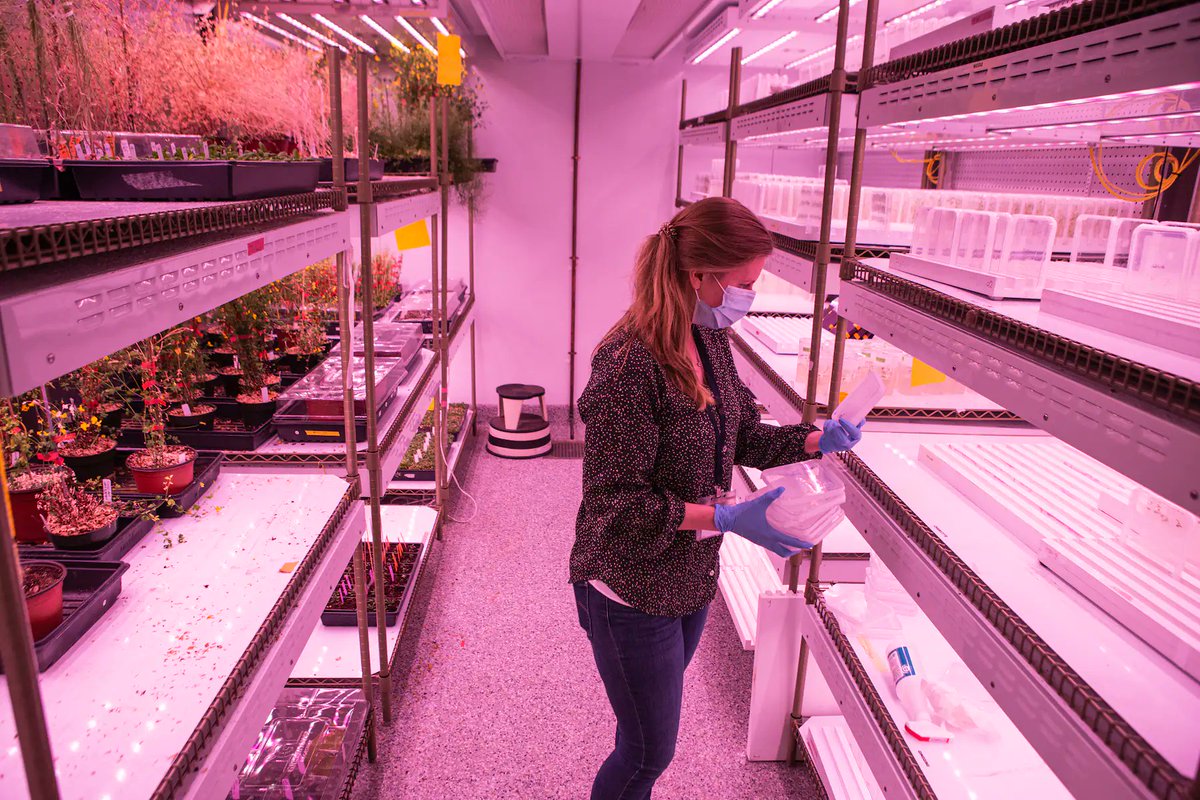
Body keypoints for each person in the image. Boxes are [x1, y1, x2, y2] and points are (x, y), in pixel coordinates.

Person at [569, 196, 865, 799]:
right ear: (698, 275)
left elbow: (740, 433)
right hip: (630, 584)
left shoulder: (708, 341)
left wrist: (814, 437)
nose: (748, 297)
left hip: (689, 574)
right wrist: (724, 517)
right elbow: (616, 507)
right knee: (648, 749)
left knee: (650, 733)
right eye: (744, 283)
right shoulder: (629, 364)